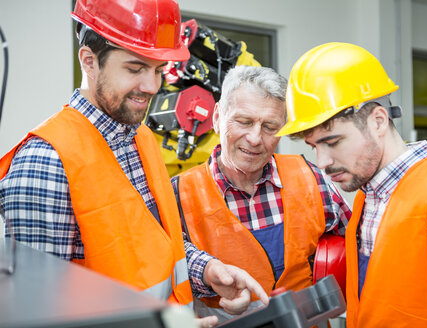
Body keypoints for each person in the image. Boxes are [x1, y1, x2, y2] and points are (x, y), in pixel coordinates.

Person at [0, 1, 268, 326]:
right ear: (89, 61)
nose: (152, 86)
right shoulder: (46, 162)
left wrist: (208, 270)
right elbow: (39, 315)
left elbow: (155, 245)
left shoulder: (141, 137)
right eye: (135, 68)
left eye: (158, 70)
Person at [276, 42, 427, 327]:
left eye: (333, 142)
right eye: (314, 146)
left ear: (378, 121)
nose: (323, 161)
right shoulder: (371, 197)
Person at [172, 65, 351, 322]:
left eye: (269, 127)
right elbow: (166, 275)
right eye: (244, 122)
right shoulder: (177, 195)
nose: (255, 138)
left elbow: (358, 250)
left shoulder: (313, 179)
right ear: (217, 118)